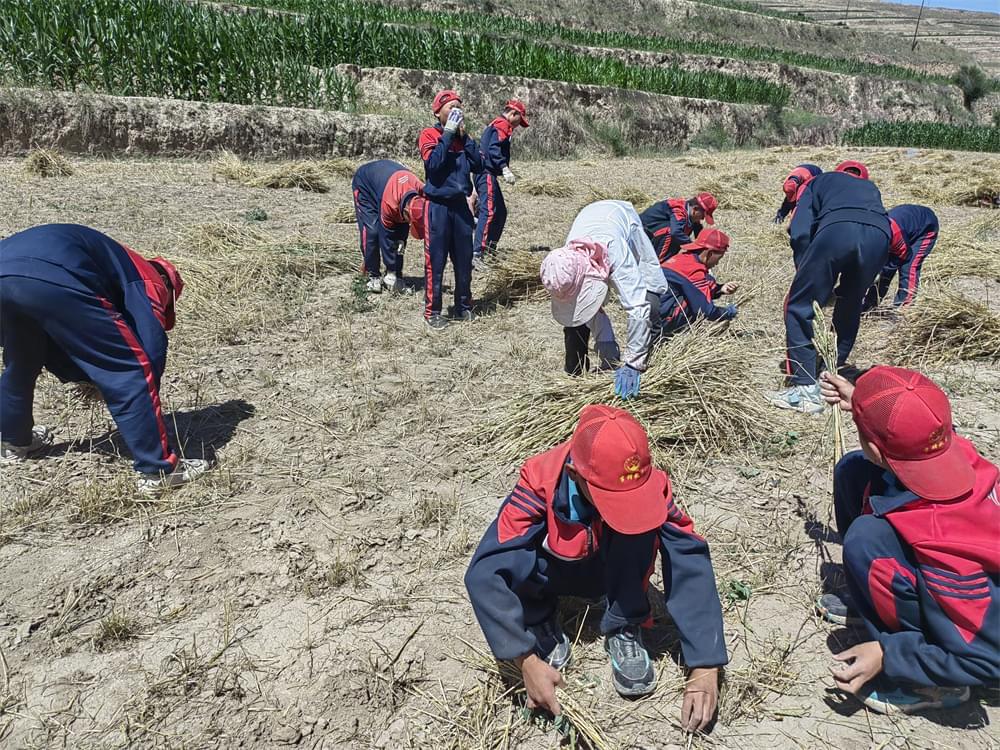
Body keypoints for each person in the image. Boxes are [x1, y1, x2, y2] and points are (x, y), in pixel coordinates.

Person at [464, 404, 727, 730]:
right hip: (555, 571)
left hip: (608, 570)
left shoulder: (651, 484)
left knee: (642, 531)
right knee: (514, 554)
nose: (627, 506)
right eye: (612, 497)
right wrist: (524, 659)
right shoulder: (540, 482)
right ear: (575, 474)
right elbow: (485, 571)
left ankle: (622, 621)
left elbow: (688, 553)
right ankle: (538, 619)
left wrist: (706, 665)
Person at [817, 366, 998, 714]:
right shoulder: (953, 447)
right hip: (946, 563)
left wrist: (889, 653)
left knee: (865, 541)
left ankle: (936, 683)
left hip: (979, 637)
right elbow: (903, 432)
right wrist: (861, 403)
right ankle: (869, 600)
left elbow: (988, 658)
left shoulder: (946, 549)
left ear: (874, 444)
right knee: (853, 470)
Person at [0, 223, 208, 492]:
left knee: (21, 362)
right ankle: (159, 470)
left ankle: (14, 442)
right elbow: (148, 353)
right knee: (131, 369)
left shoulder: (117, 258)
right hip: (49, 274)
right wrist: (116, 383)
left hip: (7, 271)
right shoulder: (151, 278)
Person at [768, 169, 890, 414]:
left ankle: (804, 390)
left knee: (798, 305)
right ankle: (831, 372)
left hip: (838, 230)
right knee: (851, 302)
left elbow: (800, 232)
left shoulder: (817, 182)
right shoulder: (870, 188)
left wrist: (805, 271)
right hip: (881, 236)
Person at [540, 200, 668, 399]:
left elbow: (637, 307)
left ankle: (647, 364)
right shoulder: (563, 263)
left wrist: (632, 362)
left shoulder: (616, 252)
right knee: (575, 319)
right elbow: (585, 309)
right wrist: (606, 344)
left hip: (619, 219)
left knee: (649, 300)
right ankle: (575, 375)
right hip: (589, 217)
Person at [418, 89, 484, 329]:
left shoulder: (463, 138)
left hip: (461, 206)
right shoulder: (429, 135)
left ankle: (463, 306)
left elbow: (479, 164)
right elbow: (433, 166)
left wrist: (465, 139)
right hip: (437, 207)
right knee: (435, 261)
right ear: (438, 112)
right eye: (450, 107)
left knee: (464, 259)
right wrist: (447, 134)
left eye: (459, 107)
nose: (457, 111)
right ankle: (433, 311)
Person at [351, 159, 427, 294]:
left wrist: (396, 273)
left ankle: (396, 275)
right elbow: (386, 238)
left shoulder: (420, 189)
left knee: (401, 237)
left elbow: (400, 241)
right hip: (365, 186)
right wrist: (391, 268)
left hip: (388, 183)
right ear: (406, 212)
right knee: (372, 232)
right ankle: (373, 275)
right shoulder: (389, 203)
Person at [473, 99, 529, 266]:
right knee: (489, 211)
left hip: (487, 174)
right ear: (513, 113)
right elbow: (494, 148)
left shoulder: (497, 124)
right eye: (519, 121)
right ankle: (477, 253)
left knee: (501, 212)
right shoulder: (503, 124)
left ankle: (490, 249)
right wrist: (504, 167)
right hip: (486, 173)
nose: (518, 126)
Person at [659, 228, 740, 334]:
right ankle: (674, 332)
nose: (717, 263)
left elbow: (697, 287)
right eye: (719, 258)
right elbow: (706, 311)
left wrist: (720, 289)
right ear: (710, 254)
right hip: (661, 321)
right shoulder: (694, 271)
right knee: (695, 303)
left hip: (650, 311)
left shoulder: (682, 259)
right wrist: (728, 312)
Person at [863, 204, 938, 311]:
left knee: (908, 267)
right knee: (883, 271)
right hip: (904, 228)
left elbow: (903, 255)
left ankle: (903, 308)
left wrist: (884, 270)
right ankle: (869, 304)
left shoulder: (894, 234)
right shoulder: (868, 235)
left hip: (925, 228)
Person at [639, 192, 718, 265]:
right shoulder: (679, 211)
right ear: (695, 209)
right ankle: (658, 264)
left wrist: (703, 246)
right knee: (672, 233)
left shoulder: (690, 214)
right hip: (642, 234)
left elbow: (698, 231)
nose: (703, 219)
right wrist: (691, 244)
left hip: (653, 233)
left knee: (684, 231)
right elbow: (675, 232)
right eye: (703, 215)